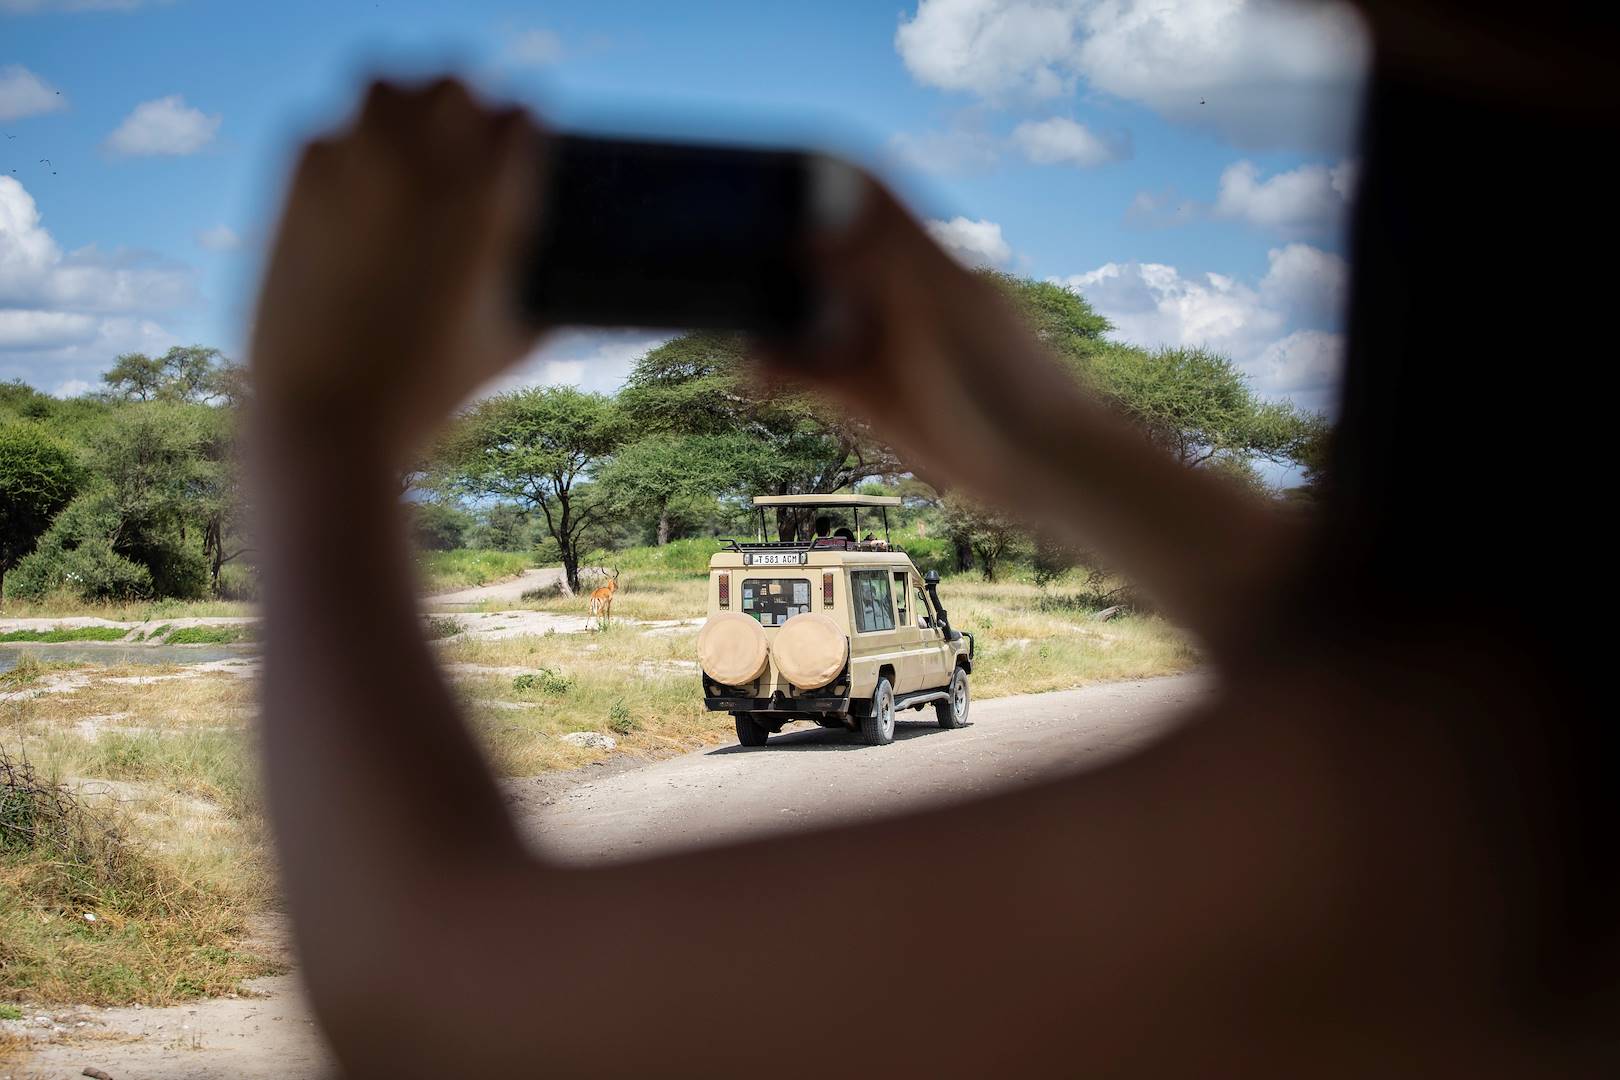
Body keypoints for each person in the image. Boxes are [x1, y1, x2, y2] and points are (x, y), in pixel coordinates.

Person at [249, 7, 1614, 1075]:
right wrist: (1051, 442)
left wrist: (321, 417)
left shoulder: (1486, 832)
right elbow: (1415, 670)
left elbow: (434, 993)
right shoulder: (1523, 762)